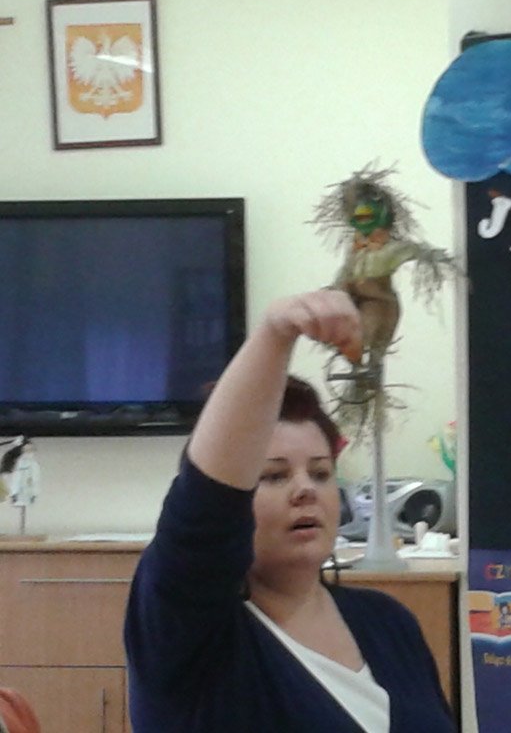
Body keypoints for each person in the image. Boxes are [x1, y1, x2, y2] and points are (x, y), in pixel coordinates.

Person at [124, 289, 455, 732]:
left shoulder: (388, 622)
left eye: (320, 473)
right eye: (274, 476)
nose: (305, 490)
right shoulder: (188, 638)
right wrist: (275, 334)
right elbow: (204, 511)